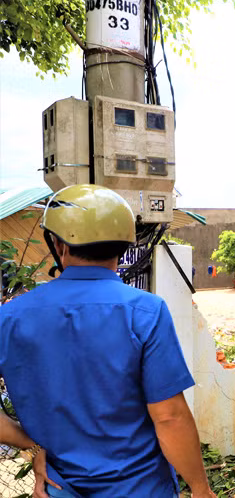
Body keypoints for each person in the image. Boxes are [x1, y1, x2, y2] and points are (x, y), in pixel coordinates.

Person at [0, 185, 215, 497]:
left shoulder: (10, 318)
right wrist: (200, 488)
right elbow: (169, 417)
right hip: (141, 487)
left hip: (60, 488)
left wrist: (31, 444)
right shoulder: (145, 312)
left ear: (58, 244)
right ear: (123, 246)